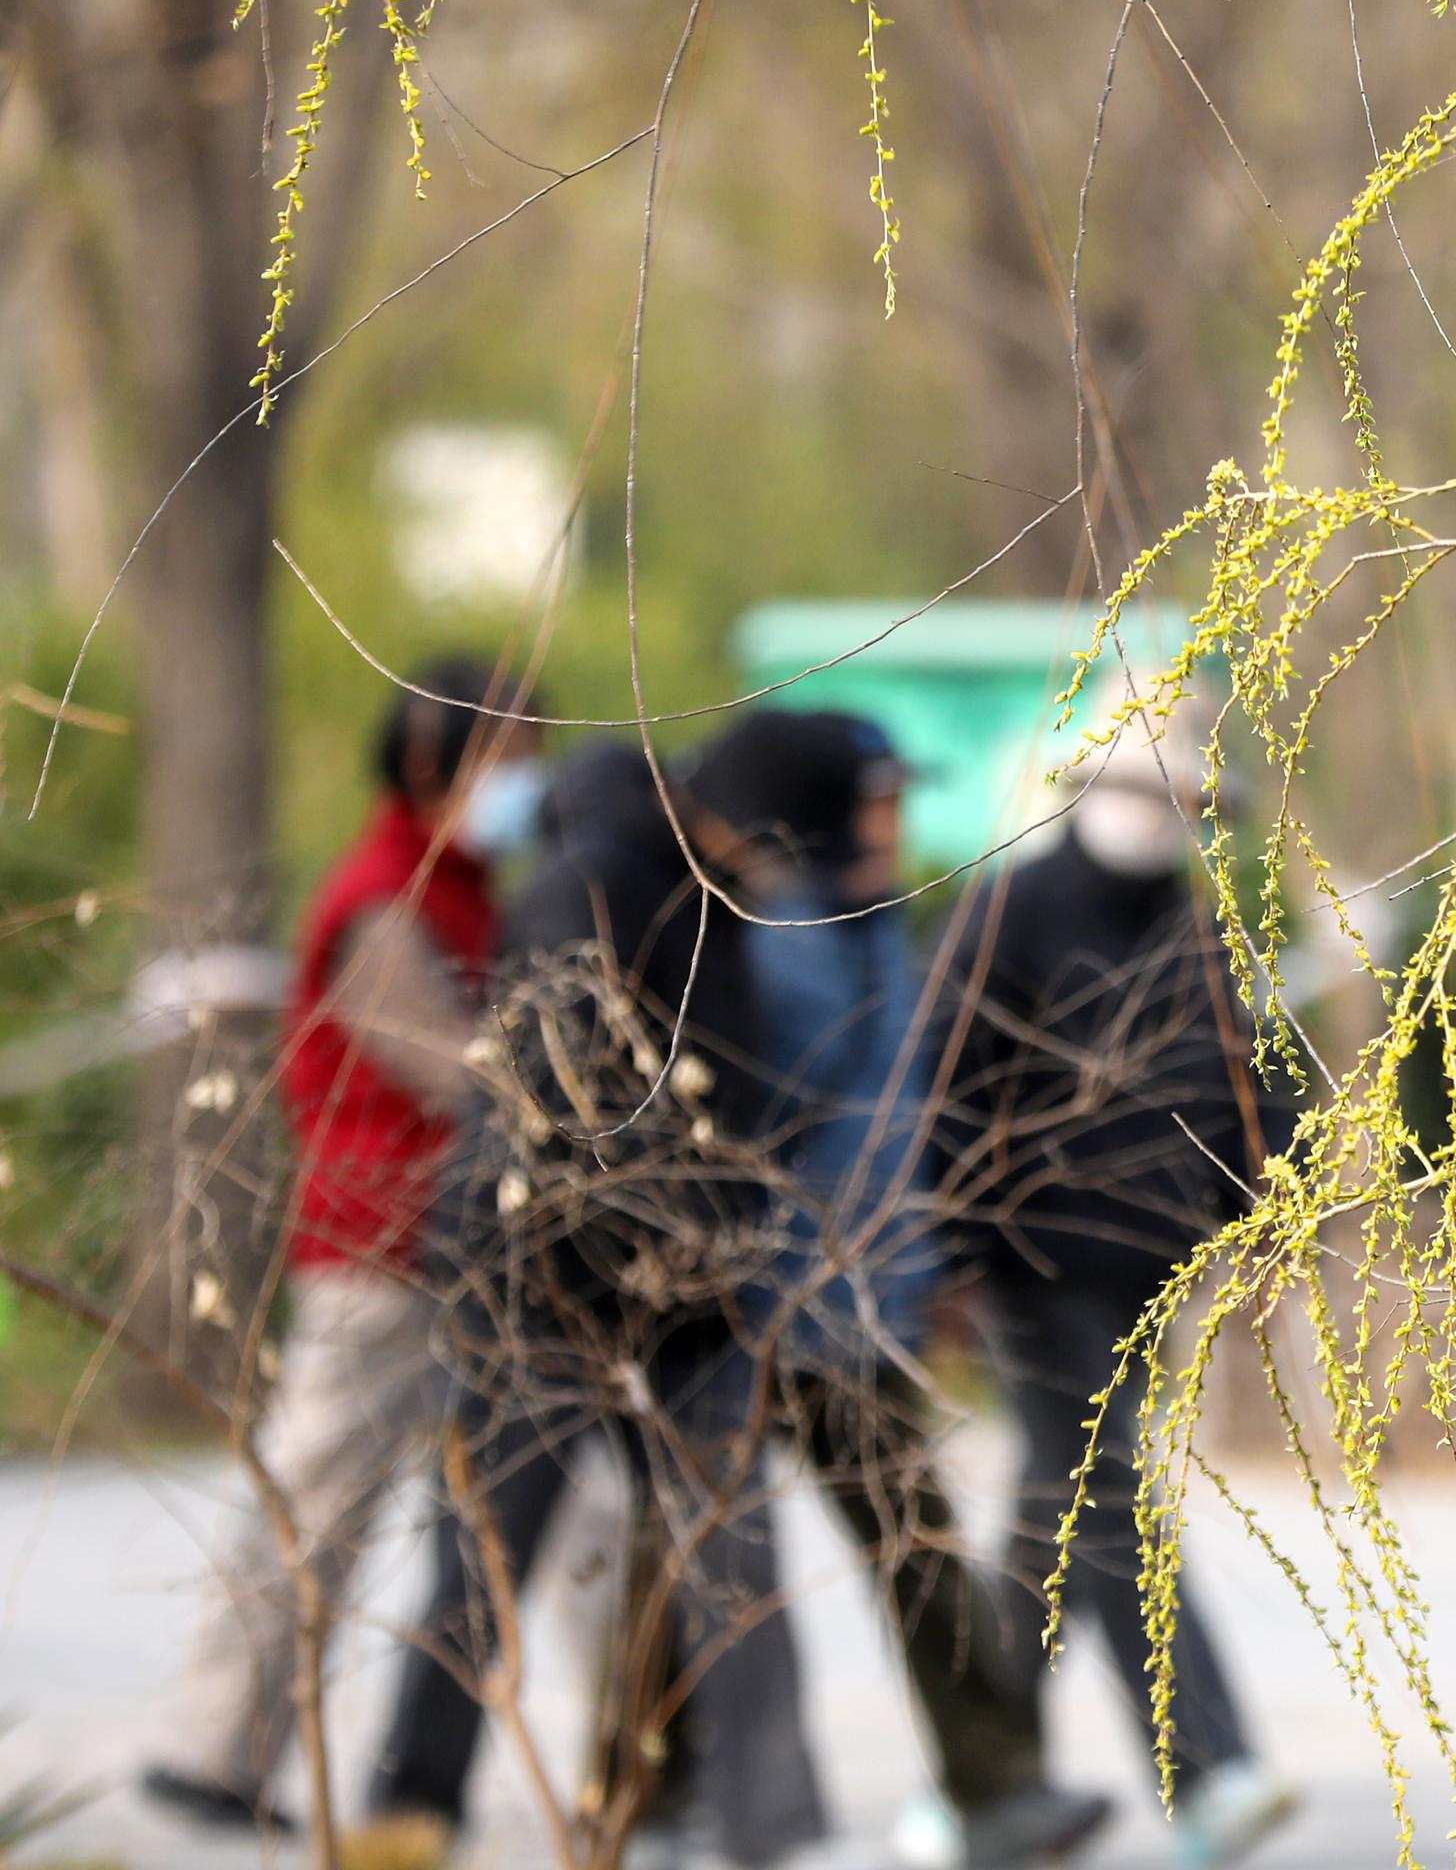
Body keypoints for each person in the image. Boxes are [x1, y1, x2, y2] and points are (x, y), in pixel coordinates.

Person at [358, 737, 828, 1870]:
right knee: (484, 1558)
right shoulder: (591, 884)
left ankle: (770, 1828)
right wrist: (687, 1223)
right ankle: (406, 1816)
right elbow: (569, 1097)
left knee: (731, 1547)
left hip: (682, 1284)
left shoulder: (699, 894)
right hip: (543, 1279)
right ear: (753, 825)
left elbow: (726, 1081)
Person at [663, 709, 1112, 1867]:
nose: (895, 824)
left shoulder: (874, 934)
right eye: (876, 802)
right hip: (750, 1313)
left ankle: (1000, 1788)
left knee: (918, 1555)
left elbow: (901, 1131)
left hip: (859, 1314)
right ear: (814, 816)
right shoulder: (769, 946)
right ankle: (650, 1792)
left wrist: (929, 1265)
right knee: (703, 1567)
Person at [142, 660, 546, 1835]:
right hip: (378, 1251)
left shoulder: (466, 889)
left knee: (526, 1512)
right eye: (505, 754)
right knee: (316, 1507)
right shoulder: (385, 898)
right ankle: (214, 1751)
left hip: (456, 1250)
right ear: (428, 761)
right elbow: (447, 1062)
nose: (524, 779)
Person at [924, 685, 1300, 1868]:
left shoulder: (1192, 930)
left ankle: (985, 1784)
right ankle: (1210, 1767)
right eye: (1139, 791)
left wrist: (1268, 1204)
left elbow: (1242, 1085)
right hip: (1033, 1264)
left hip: (1147, 1266)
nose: (1157, 817)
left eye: (1181, 801)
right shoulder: (1007, 912)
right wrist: (945, 1250)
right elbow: (947, 1086)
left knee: (1056, 1512)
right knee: (1106, 1495)